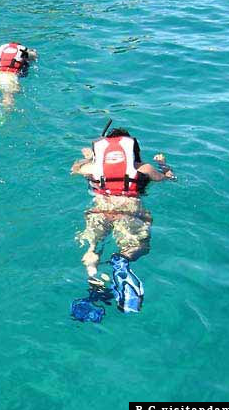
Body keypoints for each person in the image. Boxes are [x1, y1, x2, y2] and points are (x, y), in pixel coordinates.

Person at [70, 127, 174, 312]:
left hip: (99, 210)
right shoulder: (143, 168)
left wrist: (89, 157)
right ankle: (122, 259)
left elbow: (74, 169)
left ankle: (95, 283)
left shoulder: (92, 168)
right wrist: (165, 165)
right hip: (129, 210)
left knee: (92, 247)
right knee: (140, 246)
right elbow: (169, 179)